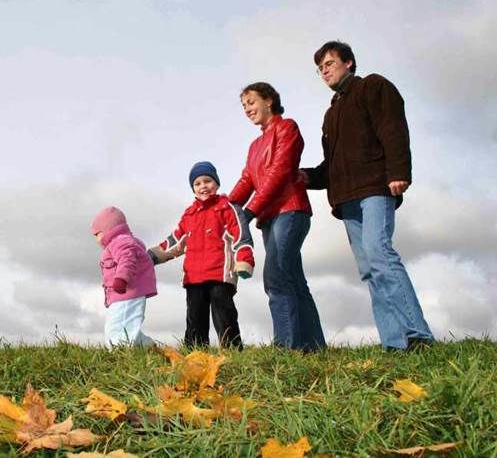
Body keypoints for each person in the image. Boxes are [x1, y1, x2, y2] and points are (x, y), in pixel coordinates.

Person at [300, 40, 434, 351]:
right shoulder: (331, 114)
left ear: (348, 62)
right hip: (346, 199)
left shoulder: (373, 86)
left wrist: (399, 171)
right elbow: (332, 165)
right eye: (319, 69)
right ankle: (395, 344)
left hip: (376, 187)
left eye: (329, 64)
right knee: (369, 270)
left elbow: (393, 128)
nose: (324, 72)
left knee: (380, 253)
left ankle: (418, 335)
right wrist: (305, 177)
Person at [229, 82, 326, 351]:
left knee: (276, 274)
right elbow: (247, 179)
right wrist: (225, 208)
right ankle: (314, 346)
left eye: (251, 102)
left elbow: (280, 171)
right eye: (244, 105)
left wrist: (249, 211)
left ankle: (286, 345)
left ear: (269, 100)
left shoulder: (287, 128)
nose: (247, 109)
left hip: (290, 210)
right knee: (294, 278)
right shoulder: (254, 145)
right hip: (268, 218)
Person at [149, 161, 255, 349]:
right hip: (194, 276)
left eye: (207, 181)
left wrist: (244, 260)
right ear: (193, 188)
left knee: (224, 313)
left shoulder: (227, 208)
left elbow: (240, 236)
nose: (203, 186)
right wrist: (153, 255)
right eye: (197, 183)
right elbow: (176, 241)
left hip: (220, 274)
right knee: (195, 316)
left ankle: (232, 350)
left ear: (217, 183)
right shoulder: (190, 214)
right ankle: (194, 352)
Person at [91, 206, 157, 348]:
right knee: (123, 326)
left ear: (108, 229)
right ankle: (147, 346)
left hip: (127, 293)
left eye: (96, 234)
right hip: (121, 295)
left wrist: (121, 279)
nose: (96, 239)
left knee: (117, 328)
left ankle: (120, 355)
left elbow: (127, 259)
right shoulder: (118, 243)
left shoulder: (121, 242)